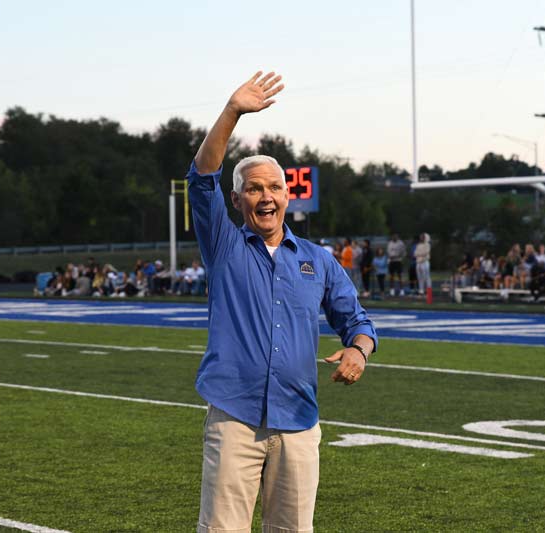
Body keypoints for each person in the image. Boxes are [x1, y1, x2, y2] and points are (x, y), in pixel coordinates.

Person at [187, 71, 377, 532]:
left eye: (274, 187)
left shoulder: (318, 260)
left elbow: (357, 320)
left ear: (287, 195)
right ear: (236, 200)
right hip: (235, 417)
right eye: (254, 188)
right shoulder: (224, 246)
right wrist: (232, 111)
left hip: (298, 419)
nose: (266, 196)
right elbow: (201, 176)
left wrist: (357, 350)